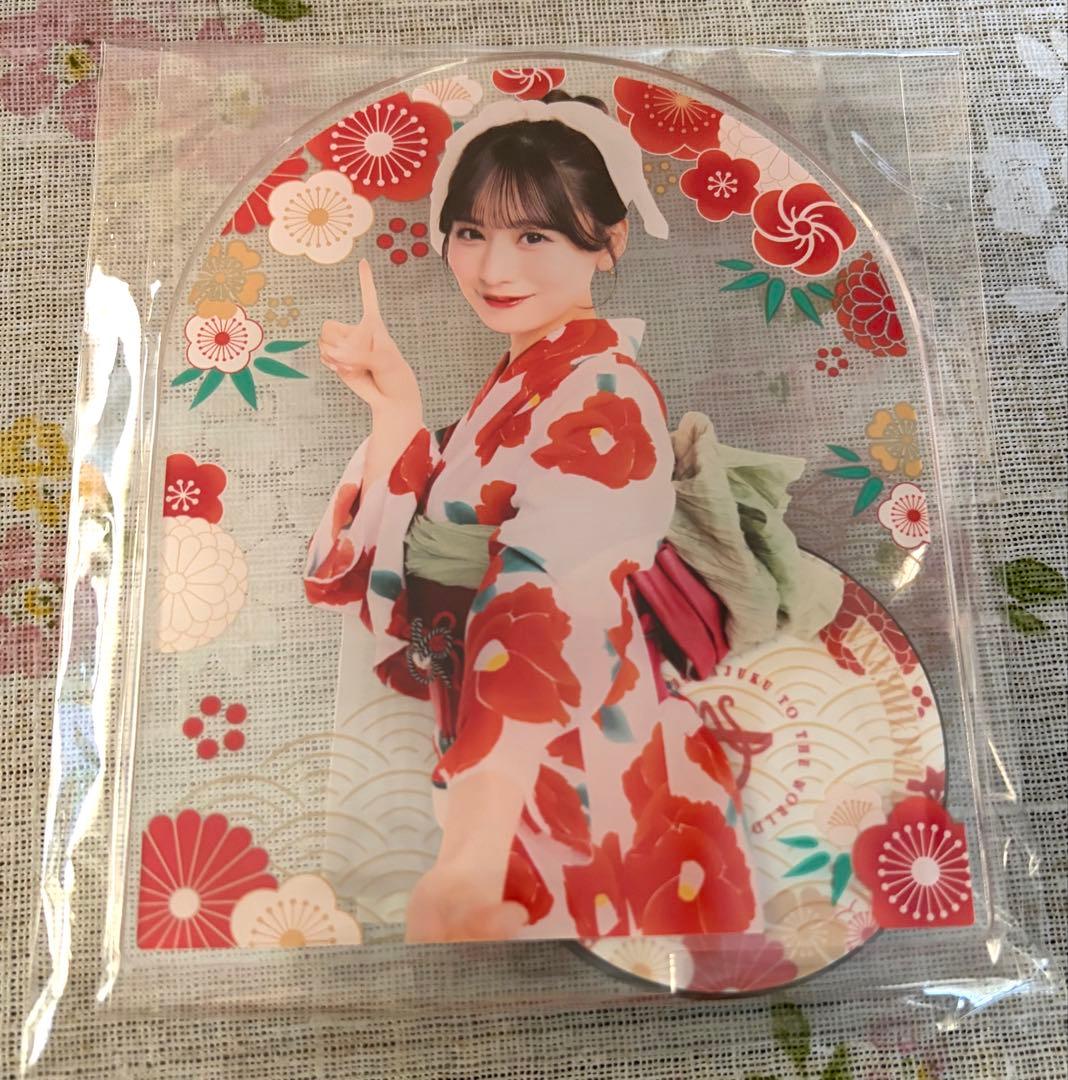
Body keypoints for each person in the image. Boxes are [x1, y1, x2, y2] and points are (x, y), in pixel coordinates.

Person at [305, 92, 837, 944]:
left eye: (534, 236)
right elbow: (445, 538)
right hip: (507, 747)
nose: (493, 268)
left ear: (609, 240)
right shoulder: (531, 375)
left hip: (567, 760)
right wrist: (396, 409)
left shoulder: (604, 394)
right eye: (471, 232)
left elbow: (545, 609)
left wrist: (472, 857)